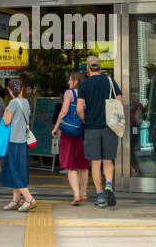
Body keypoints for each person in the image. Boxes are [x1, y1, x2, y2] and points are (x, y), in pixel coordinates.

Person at [78, 54, 122, 208]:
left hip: (91, 128)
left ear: (88, 68)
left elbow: (79, 108)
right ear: (100, 67)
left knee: (95, 163)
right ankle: (109, 184)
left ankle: (100, 197)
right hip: (109, 126)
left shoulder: (83, 85)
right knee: (108, 160)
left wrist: (85, 119)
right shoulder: (110, 82)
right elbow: (119, 102)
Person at [0, 78, 37, 212]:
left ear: (9, 90)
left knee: (14, 172)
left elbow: (6, 121)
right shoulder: (26, 102)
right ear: (21, 89)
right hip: (22, 142)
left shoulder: (12, 104)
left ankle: (29, 198)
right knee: (18, 170)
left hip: (14, 142)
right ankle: (16, 199)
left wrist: (4, 114)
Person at [52, 70, 89, 205]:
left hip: (69, 132)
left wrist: (56, 127)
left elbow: (64, 111)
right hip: (83, 132)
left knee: (71, 165)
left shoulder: (69, 93)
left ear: (76, 81)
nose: (68, 82)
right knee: (83, 165)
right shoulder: (87, 93)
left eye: (70, 79)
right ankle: (84, 193)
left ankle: (76, 195)